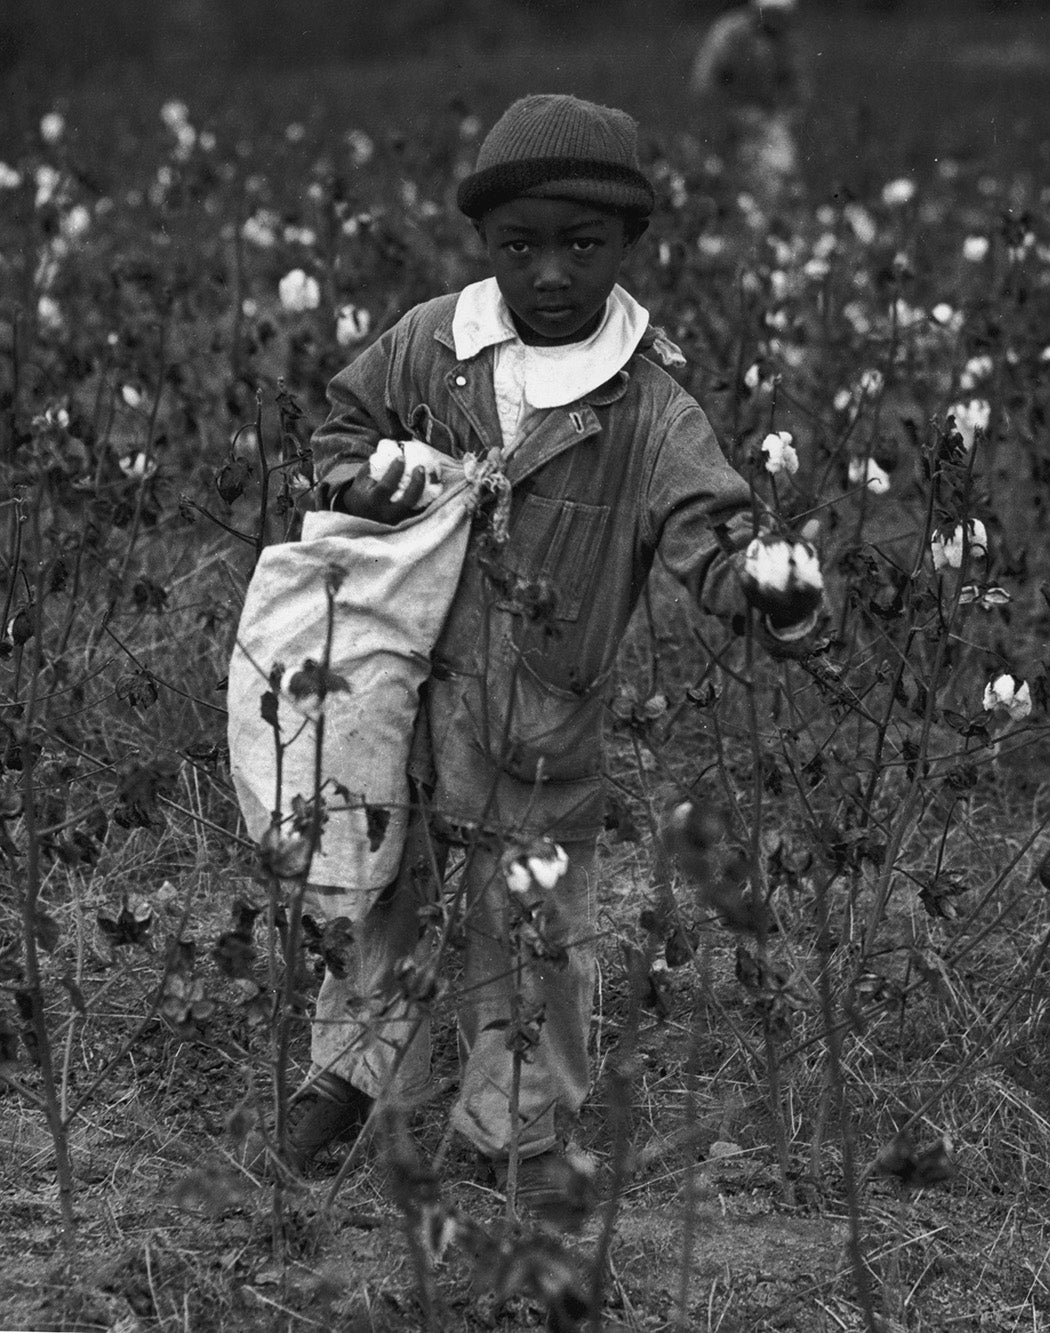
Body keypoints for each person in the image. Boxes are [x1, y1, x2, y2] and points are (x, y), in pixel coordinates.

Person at [284, 93, 820, 1198]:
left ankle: (515, 1135)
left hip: (540, 728)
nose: (549, 276)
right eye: (518, 246)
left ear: (629, 246)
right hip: (396, 687)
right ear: (485, 244)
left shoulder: (651, 412)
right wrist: (368, 479)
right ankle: (349, 1073)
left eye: (583, 247)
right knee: (375, 887)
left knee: (533, 934)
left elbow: (707, 535)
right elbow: (336, 432)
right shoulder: (435, 345)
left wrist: (769, 587)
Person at [689, 0, 810, 209]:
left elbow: (798, 89)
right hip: (729, 119)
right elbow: (705, 84)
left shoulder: (787, 39)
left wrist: (784, 117)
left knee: (780, 172)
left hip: (769, 121)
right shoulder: (729, 34)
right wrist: (735, 116)